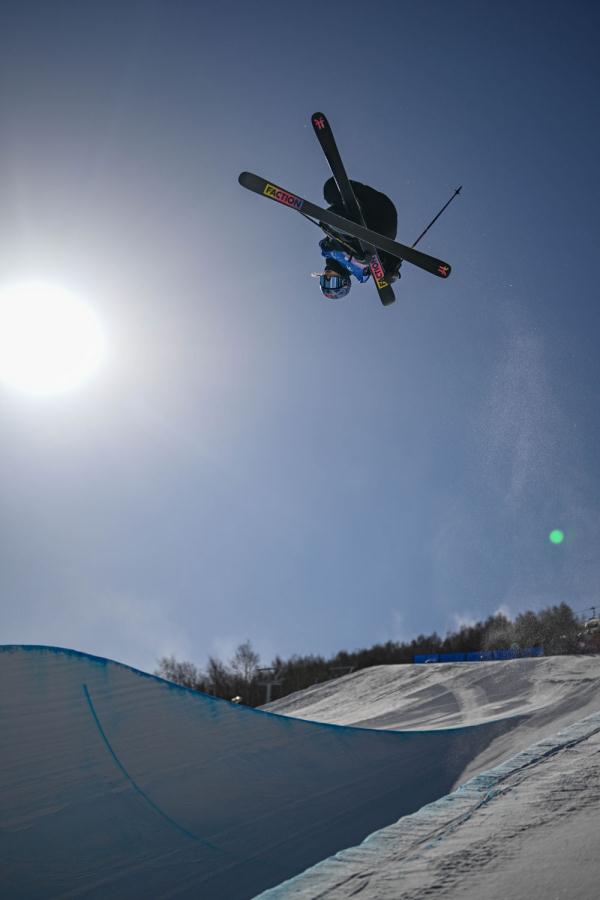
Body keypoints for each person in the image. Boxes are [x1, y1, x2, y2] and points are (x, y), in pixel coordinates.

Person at [317, 177, 402, 300]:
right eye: (333, 282)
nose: (328, 277)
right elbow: (388, 261)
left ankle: (349, 222)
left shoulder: (327, 250)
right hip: (383, 228)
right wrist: (391, 273)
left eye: (324, 280)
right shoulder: (363, 271)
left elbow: (329, 232)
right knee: (364, 256)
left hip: (370, 206)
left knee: (330, 189)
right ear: (344, 282)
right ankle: (351, 229)